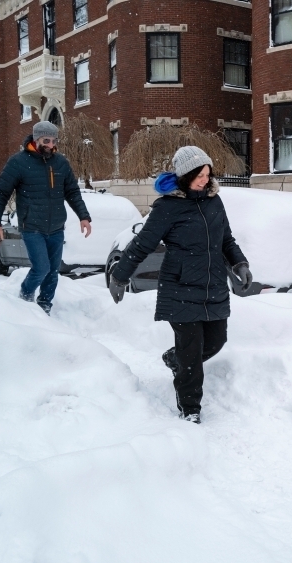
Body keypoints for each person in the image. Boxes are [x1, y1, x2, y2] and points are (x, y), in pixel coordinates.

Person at [108, 146, 251, 424]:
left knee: (216, 340)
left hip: (212, 286)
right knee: (191, 350)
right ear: (185, 176)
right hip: (181, 286)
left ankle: (176, 360)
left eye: (208, 174)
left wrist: (239, 264)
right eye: (199, 175)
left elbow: (227, 241)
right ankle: (190, 406)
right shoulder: (167, 207)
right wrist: (120, 275)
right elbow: (142, 244)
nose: (205, 180)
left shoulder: (214, 201)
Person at [0, 121, 92, 314]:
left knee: (53, 271)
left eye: (54, 141)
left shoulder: (60, 162)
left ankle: (44, 306)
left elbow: (72, 192)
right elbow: (1, 192)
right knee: (42, 268)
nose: (51, 145)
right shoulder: (18, 162)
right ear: (36, 140)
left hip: (56, 227)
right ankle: (25, 297)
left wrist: (83, 216)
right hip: (32, 226)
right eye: (46, 140)